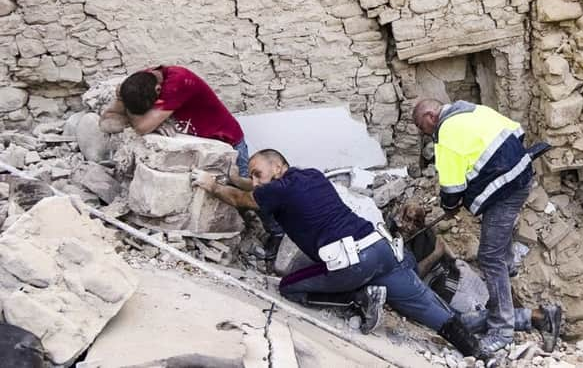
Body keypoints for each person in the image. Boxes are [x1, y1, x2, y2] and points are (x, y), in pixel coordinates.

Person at [190, 149, 483, 357]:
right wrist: (237, 178)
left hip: (353, 262)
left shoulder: (275, 190)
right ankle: (478, 353)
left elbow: (242, 198)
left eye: (258, 174)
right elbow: (255, 190)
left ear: (278, 167)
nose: (254, 181)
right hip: (381, 248)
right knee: (428, 309)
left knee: (290, 287)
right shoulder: (312, 175)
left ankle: (359, 298)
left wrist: (211, 184)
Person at [412, 98, 550, 355]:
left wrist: (450, 206)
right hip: (520, 174)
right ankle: (507, 269)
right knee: (498, 239)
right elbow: (516, 131)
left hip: (505, 190)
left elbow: (452, 188)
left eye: (424, 128)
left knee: (489, 257)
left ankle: (502, 329)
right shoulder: (472, 110)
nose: (426, 134)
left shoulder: (446, 134)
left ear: (431, 116)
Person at [99, 65, 284, 257]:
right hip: (197, 148)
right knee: (225, 199)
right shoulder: (138, 84)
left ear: (158, 91)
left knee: (255, 194)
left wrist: (141, 118)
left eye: (151, 109)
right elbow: (106, 122)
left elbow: (141, 127)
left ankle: (277, 233)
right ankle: (241, 231)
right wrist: (138, 111)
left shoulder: (178, 81)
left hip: (227, 143)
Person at [394, 202, 562, 353]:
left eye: (414, 221)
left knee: (460, 323)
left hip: (454, 286)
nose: (409, 225)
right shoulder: (409, 239)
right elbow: (434, 252)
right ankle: (535, 317)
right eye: (406, 219)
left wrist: (443, 256)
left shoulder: (418, 237)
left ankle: (537, 316)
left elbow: (417, 272)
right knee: (476, 315)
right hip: (452, 281)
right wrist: (446, 257)